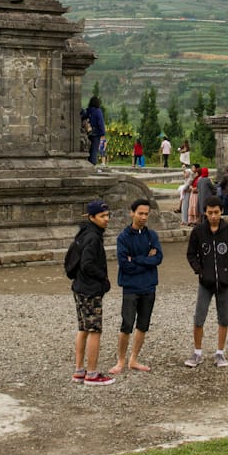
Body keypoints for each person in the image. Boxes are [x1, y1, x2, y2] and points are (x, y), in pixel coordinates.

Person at [185, 196, 228, 368]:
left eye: (216, 212)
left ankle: (220, 352)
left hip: (225, 282)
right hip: (205, 282)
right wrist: (200, 271)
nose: (213, 216)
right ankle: (197, 352)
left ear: (221, 211)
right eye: (210, 212)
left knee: (224, 318)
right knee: (199, 318)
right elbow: (191, 254)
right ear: (205, 213)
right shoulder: (198, 231)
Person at [109, 198, 163, 375]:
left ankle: (134, 358)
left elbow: (158, 258)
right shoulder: (123, 237)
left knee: (143, 325)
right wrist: (146, 260)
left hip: (149, 286)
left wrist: (137, 259)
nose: (143, 217)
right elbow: (125, 264)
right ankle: (121, 360)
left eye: (146, 214)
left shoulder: (152, 235)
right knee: (127, 324)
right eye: (140, 213)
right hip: (131, 287)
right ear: (132, 213)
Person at [70, 199, 115, 386]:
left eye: (107, 215)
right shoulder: (93, 237)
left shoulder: (84, 232)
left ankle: (79, 370)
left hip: (80, 287)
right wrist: (103, 279)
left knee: (83, 329)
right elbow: (87, 263)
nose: (106, 219)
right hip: (90, 289)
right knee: (94, 330)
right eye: (102, 216)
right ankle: (92, 373)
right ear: (92, 217)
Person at [85, 97, 106, 167]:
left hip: (89, 132)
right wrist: (102, 133)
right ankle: (92, 164)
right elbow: (100, 123)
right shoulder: (98, 111)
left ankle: (88, 162)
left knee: (89, 149)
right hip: (96, 133)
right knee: (94, 149)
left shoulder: (89, 110)